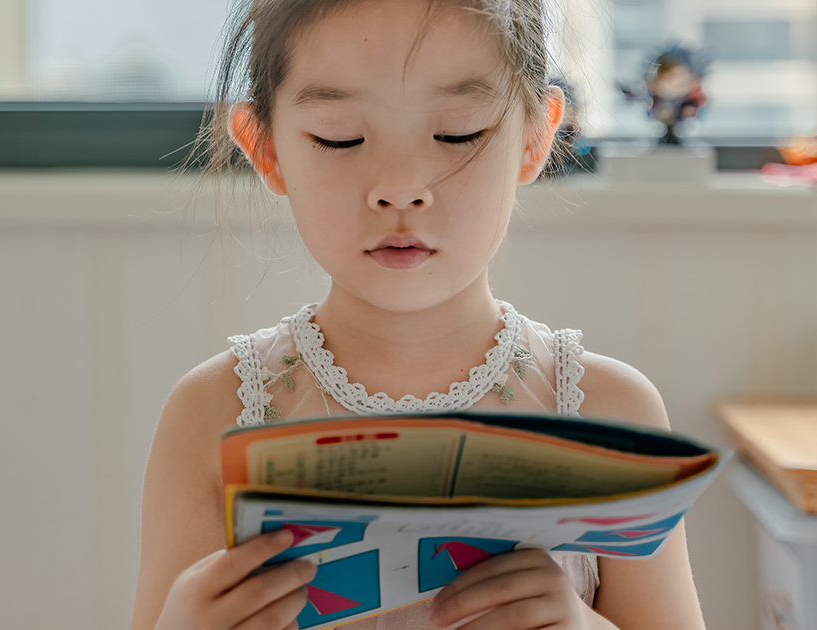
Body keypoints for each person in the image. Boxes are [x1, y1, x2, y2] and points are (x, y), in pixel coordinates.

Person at [130, 1, 708, 629]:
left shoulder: (610, 413)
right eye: (339, 137)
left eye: (457, 132)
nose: (400, 186)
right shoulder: (211, 415)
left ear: (537, 137)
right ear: (264, 148)